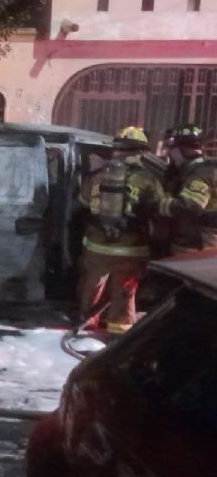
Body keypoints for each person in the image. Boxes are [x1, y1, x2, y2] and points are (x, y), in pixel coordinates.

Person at [77, 126, 164, 334]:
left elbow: (83, 201)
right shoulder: (148, 178)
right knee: (125, 287)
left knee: (92, 284)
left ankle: (87, 324)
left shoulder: (98, 174)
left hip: (97, 245)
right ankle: (119, 329)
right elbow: (160, 207)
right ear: (141, 151)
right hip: (131, 247)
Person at [158, 124, 217, 253]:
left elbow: (189, 207)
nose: (168, 153)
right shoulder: (203, 168)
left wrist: (156, 205)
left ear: (180, 149)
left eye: (170, 149)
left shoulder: (200, 173)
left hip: (197, 246)